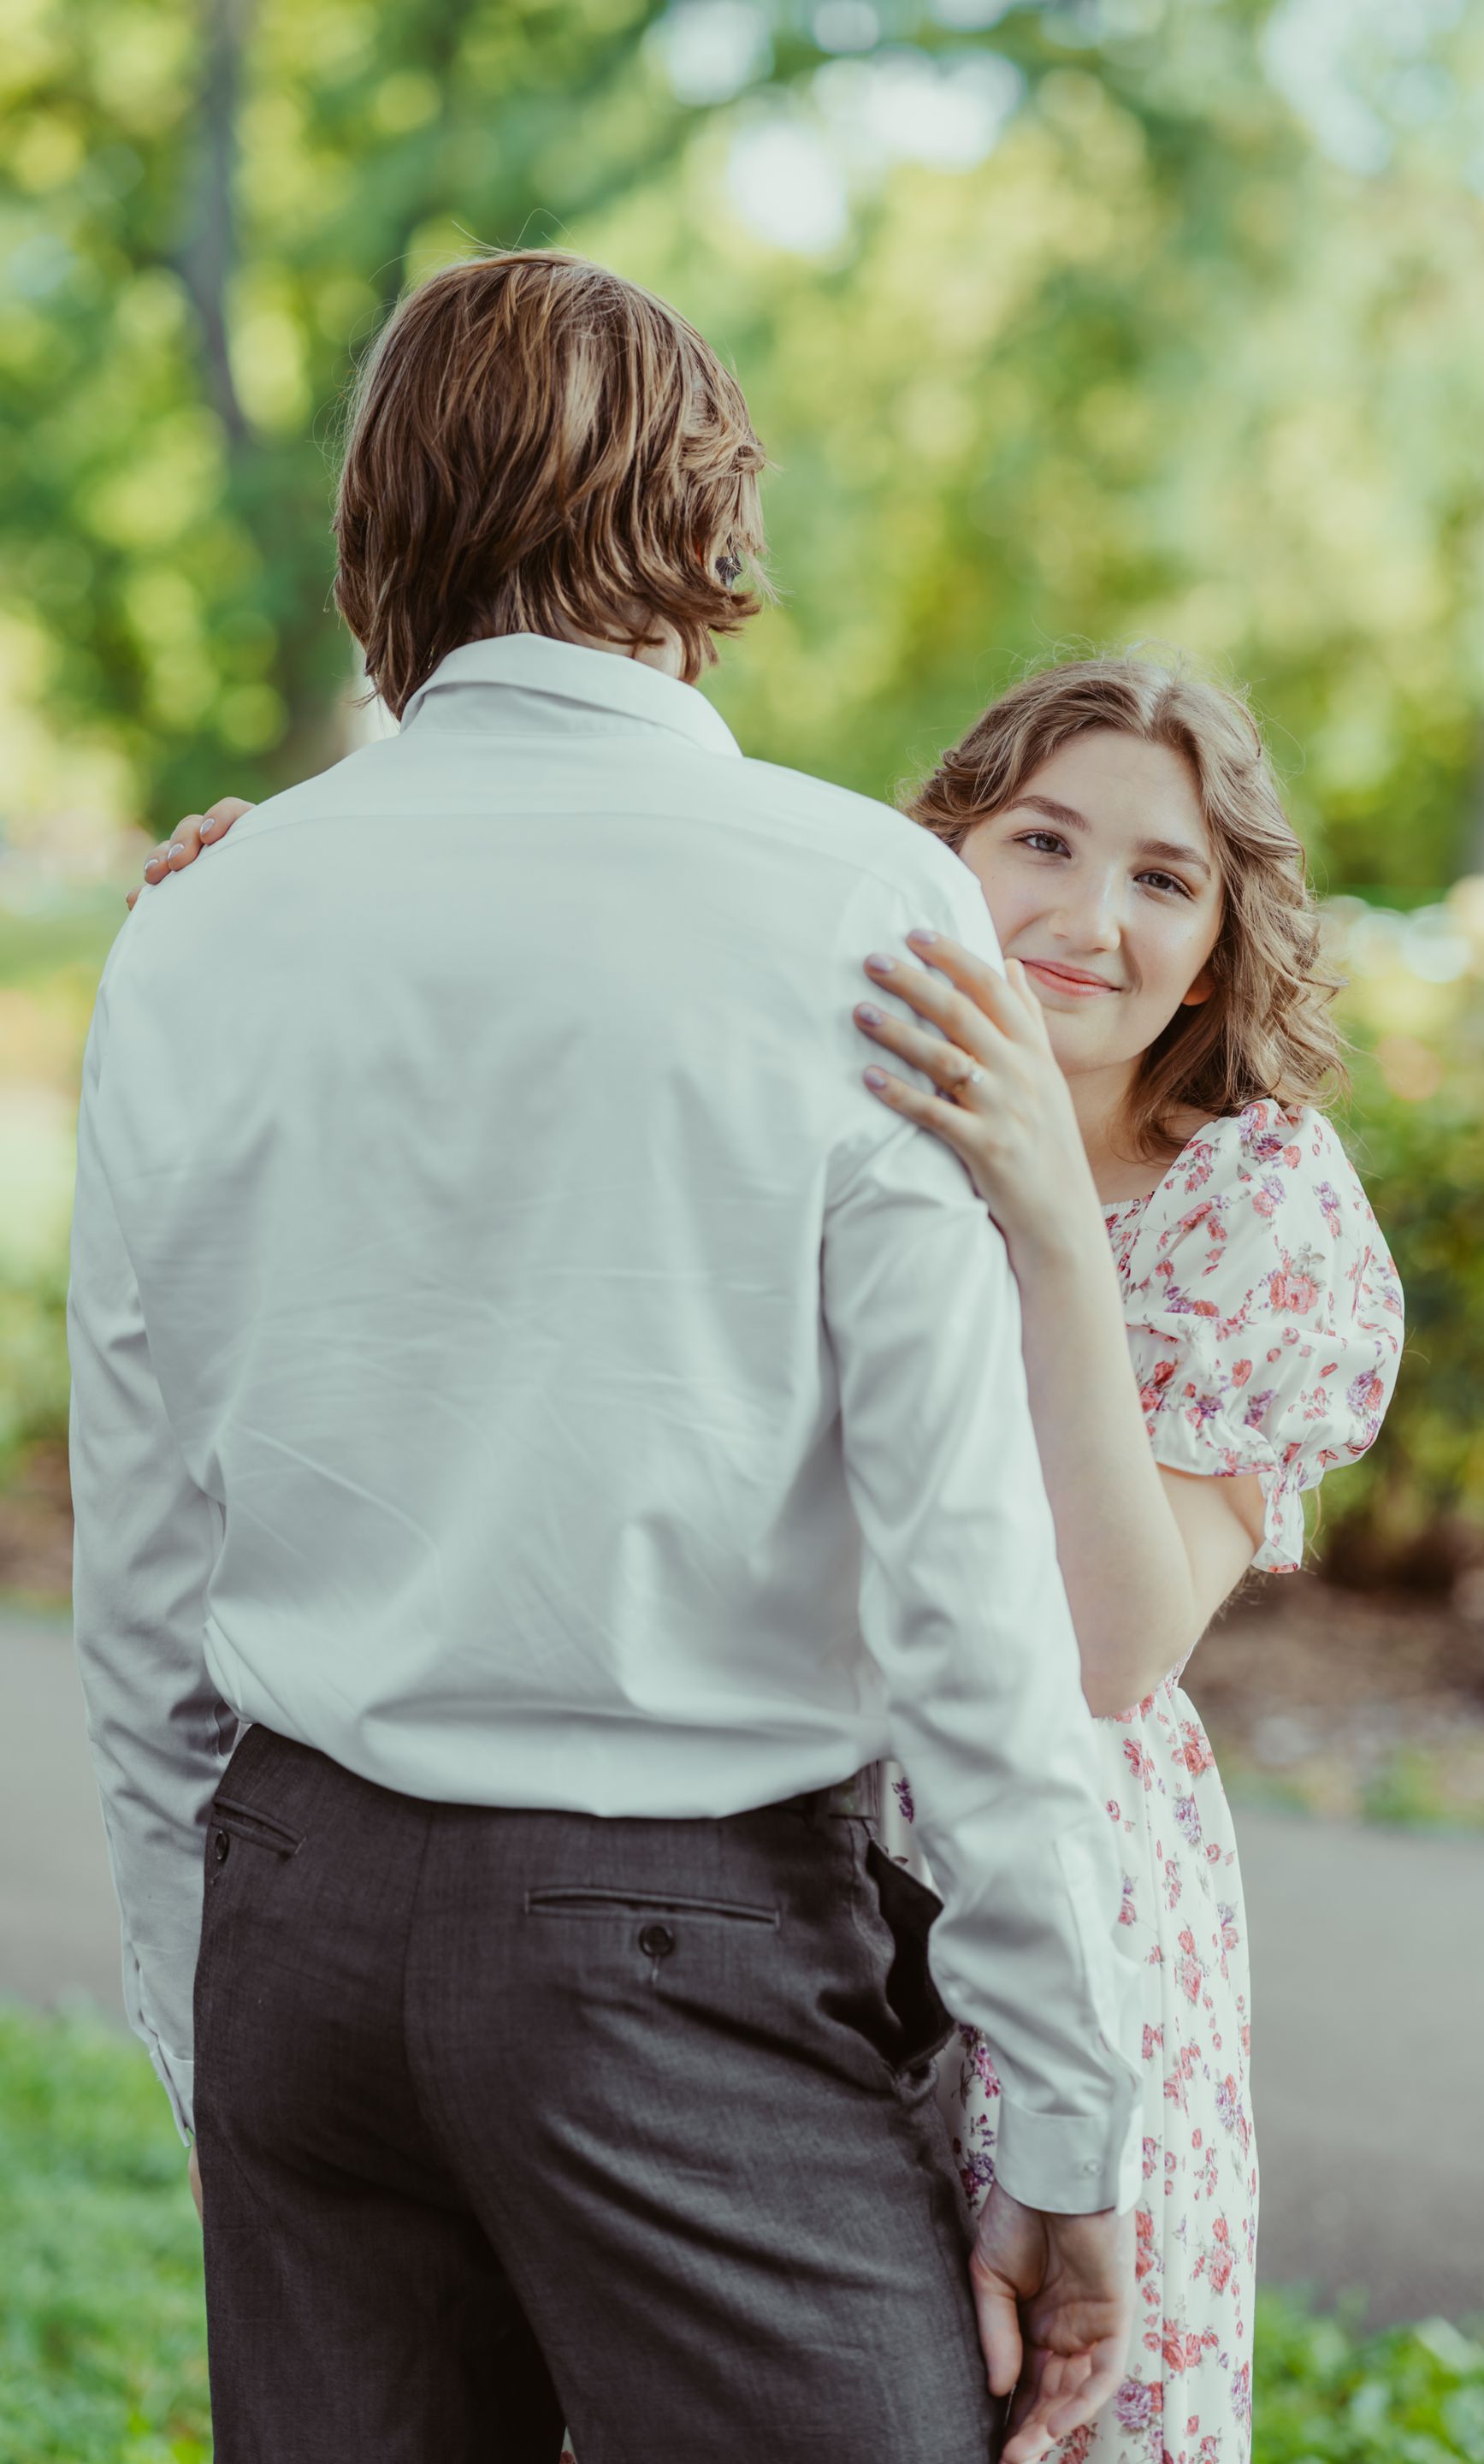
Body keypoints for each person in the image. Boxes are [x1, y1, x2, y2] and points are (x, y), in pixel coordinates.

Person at [69, 249, 1144, 2464]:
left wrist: (214, 2015)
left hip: (299, 1916)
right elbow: (963, 1579)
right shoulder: (853, 904)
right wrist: (1071, 2120)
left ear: (385, 529)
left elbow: (145, 1542)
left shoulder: (204, 922)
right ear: (706, 515)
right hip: (686, 1950)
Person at [157, 654, 1404, 2464]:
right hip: (735, 1874)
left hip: (1068, 1899)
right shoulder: (818, 1051)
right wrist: (278, 869)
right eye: (1040, 840)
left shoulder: (1255, 1203)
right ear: (936, 855)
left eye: (1163, 878)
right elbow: (557, 920)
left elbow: (1110, 1650)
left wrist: (1053, 1220)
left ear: (1214, 948)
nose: (1087, 915)